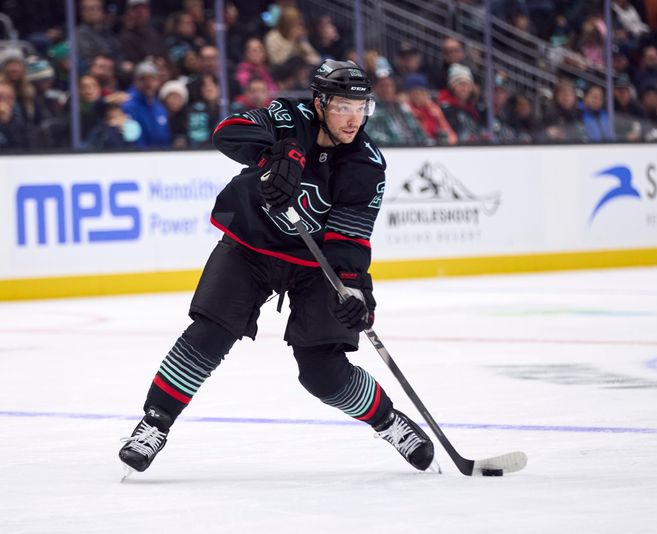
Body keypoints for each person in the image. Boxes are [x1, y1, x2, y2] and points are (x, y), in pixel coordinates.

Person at [118, 59, 436, 476]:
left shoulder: (367, 163)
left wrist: (357, 293)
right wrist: (282, 150)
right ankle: (154, 424)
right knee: (209, 333)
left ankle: (389, 422)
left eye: (361, 108)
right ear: (320, 103)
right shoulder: (289, 116)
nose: (353, 119)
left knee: (323, 372)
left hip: (312, 265)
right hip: (251, 246)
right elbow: (226, 133)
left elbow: (350, 238)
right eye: (342, 106)